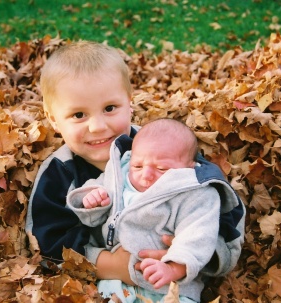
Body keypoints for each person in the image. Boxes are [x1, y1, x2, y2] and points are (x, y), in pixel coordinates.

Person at [25, 41, 245, 287]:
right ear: (53, 119)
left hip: (176, 279)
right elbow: (46, 241)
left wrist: (195, 256)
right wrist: (111, 265)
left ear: (130, 102)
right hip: (102, 284)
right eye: (79, 115)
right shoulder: (60, 172)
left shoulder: (163, 146)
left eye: (110, 108)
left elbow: (221, 202)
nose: (97, 126)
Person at [67, 119, 229, 302]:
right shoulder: (119, 174)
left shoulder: (196, 194)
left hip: (169, 286)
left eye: (162, 168)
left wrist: (175, 267)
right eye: (137, 166)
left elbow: (198, 234)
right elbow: (94, 207)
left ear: (189, 167)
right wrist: (94, 200)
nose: (146, 175)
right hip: (116, 281)